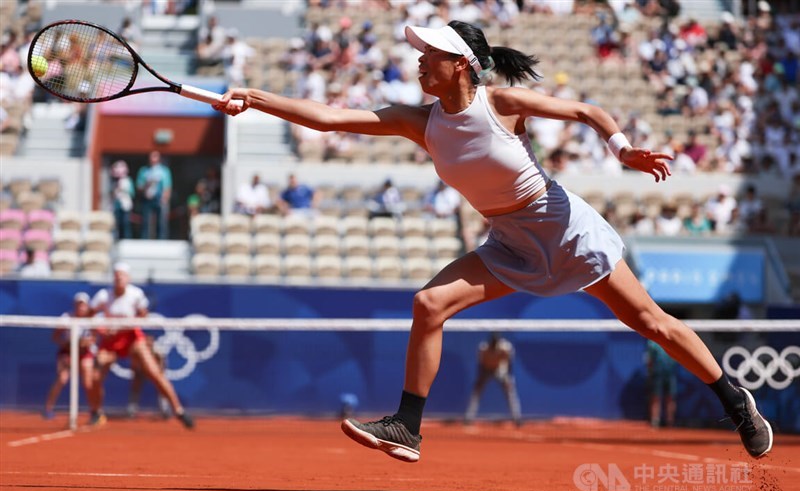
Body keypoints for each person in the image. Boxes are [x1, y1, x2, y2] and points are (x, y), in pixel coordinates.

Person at [213, 20, 772, 462]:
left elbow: (585, 110)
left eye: (428, 54)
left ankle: (734, 401)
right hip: (508, 240)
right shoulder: (418, 120)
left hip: (564, 227)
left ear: (459, 64)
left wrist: (622, 150)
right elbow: (329, 119)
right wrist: (254, 98)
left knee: (651, 324)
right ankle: (407, 426)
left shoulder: (499, 103)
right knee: (429, 304)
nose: (418, 61)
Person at [89, 263, 193, 429]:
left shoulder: (135, 294)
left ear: (128, 278)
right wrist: (101, 330)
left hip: (132, 338)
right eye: (116, 275)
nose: (119, 278)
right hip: (110, 343)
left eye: (122, 275)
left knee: (154, 372)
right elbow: (90, 315)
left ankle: (178, 410)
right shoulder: (103, 296)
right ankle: (96, 412)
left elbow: (143, 315)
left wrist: (127, 325)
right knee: (95, 378)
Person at [43, 292, 97, 419]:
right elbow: (55, 337)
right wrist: (67, 345)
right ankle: (48, 408)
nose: (81, 308)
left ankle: (94, 411)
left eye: (83, 305)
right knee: (62, 378)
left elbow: (94, 338)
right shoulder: (66, 318)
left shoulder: (92, 320)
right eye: (79, 304)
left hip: (85, 353)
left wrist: (85, 343)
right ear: (74, 305)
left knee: (88, 381)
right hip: (67, 352)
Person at [464, 332, 522, 427]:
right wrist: (480, 377)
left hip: (500, 370)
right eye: (493, 342)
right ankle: (468, 418)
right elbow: (481, 363)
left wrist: (507, 376)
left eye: (496, 342)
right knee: (476, 393)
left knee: (510, 393)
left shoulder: (506, 348)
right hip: (486, 370)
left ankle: (517, 418)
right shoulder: (483, 348)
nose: (494, 344)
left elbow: (509, 362)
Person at [127, 334, 171, 419]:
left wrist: (159, 374)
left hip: (155, 371)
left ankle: (165, 410)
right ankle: (131, 409)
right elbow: (134, 364)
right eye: (146, 341)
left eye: (150, 342)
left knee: (162, 387)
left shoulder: (158, 350)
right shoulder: (138, 350)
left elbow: (162, 364)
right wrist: (138, 372)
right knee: (135, 386)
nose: (148, 343)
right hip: (141, 371)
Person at [136, 151, 172, 239]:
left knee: (161, 222)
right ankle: (144, 240)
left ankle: (161, 241)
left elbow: (167, 186)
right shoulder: (144, 171)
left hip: (159, 198)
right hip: (147, 199)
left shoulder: (164, 171)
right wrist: (146, 184)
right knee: (145, 221)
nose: (153, 159)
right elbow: (139, 186)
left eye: (155, 156)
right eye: (151, 157)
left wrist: (165, 198)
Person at [644, 339, 677, 428]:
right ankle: (655, 421)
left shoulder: (673, 339)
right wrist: (650, 372)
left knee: (670, 397)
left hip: (670, 373)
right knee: (655, 397)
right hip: (657, 373)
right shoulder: (652, 341)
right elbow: (649, 359)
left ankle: (670, 421)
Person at [110, 160, 134, 239]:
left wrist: (122, 190)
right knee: (117, 223)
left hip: (125, 205)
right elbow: (113, 194)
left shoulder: (127, 181)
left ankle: (127, 238)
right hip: (117, 205)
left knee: (125, 223)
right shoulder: (114, 182)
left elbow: (132, 193)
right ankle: (118, 238)